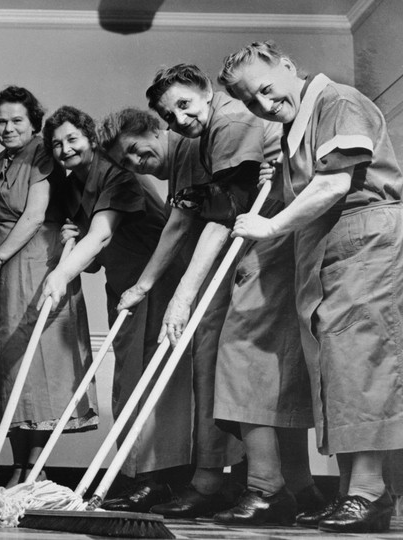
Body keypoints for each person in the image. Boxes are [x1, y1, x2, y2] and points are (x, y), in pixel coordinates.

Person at [221, 41, 403, 533]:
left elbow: (334, 184)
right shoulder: (295, 128)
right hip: (331, 246)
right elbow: (313, 183)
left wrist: (271, 225)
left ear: (287, 66)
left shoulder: (337, 101)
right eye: (248, 101)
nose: (261, 103)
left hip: (364, 238)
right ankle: (351, 493)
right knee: (338, 370)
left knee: (359, 363)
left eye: (264, 88)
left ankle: (370, 495)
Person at [145, 63, 319, 523]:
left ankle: (267, 488)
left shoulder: (230, 121)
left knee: (243, 357)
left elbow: (225, 213)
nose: (179, 120)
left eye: (184, 104)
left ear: (205, 91)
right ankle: (298, 488)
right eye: (170, 116)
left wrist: (182, 296)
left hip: (271, 240)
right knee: (266, 364)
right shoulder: (213, 129)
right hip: (272, 239)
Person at [38, 106, 191, 506]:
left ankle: (158, 479)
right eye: (56, 144)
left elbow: (103, 236)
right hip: (121, 285)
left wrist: (60, 274)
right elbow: (96, 251)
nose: (64, 148)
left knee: (153, 381)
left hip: (156, 280)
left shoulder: (119, 175)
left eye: (72, 139)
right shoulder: (75, 184)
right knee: (126, 381)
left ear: (91, 139)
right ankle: (131, 472)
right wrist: (77, 238)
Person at [0, 87, 96, 487]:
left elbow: (33, 216)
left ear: (33, 124)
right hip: (6, 270)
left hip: (38, 263)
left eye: (17, 121)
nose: (8, 128)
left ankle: (36, 468)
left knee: (40, 367)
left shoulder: (43, 154)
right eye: (1, 121)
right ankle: (19, 466)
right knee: (9, 369)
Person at [96, 107, 215, 511]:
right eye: (123, 160)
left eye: (135, 150)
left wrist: (147, 286)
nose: (133, 163)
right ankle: (161, 480)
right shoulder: (157, 172)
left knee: (186, 390)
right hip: (170, 288)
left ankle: (184, 482)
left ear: (154, 128)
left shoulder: (194, 151)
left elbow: (180, 227)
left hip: (186, 286)